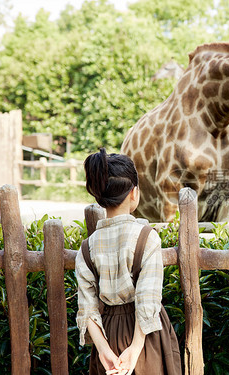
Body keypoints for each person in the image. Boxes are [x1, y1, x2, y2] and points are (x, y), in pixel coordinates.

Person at [76, 148, 181, 375]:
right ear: (134, 193)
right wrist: (135, 349)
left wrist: (104, 350)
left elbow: (87, 309)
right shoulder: (146, 237)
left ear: (100, 197)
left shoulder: (86, 248)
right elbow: (147, 300)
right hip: (146, 337)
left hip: (108, 332)